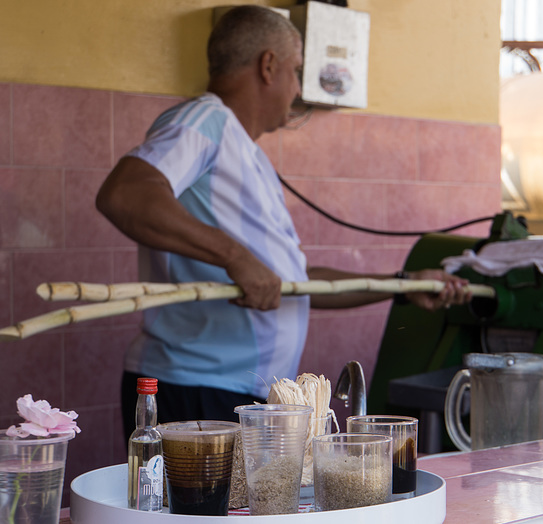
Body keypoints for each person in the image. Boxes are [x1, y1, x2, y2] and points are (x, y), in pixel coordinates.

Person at [95, 5, 471, 445]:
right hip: (196, 390)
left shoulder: (247, 154)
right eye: (295, 71)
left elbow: (292, 283)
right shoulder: (205, 119)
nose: (297, 89)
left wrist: (405, 284)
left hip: (241, 394)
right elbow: (125, 194)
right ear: (268, 66)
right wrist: (237, 258)